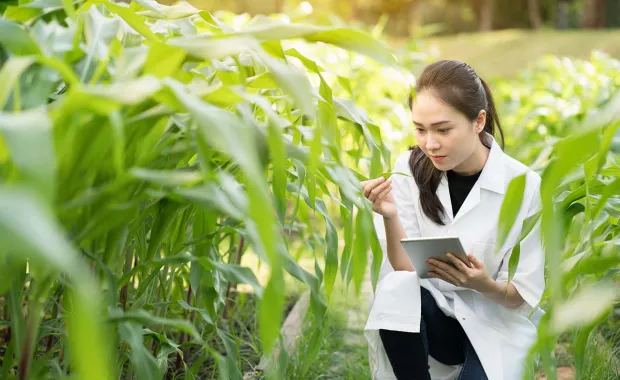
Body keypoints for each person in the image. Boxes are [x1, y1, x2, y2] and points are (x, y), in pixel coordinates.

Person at [361, 60, 546, 380]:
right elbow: (404, 266)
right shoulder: (409, 168)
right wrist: (390, 215)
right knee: (395, 285)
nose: (430, 143)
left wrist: (482, 283)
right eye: (420, 129)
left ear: (478, 121)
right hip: (434, 324)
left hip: (495, 325)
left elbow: (523, 292)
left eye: (443, 130)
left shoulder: (524, 186)